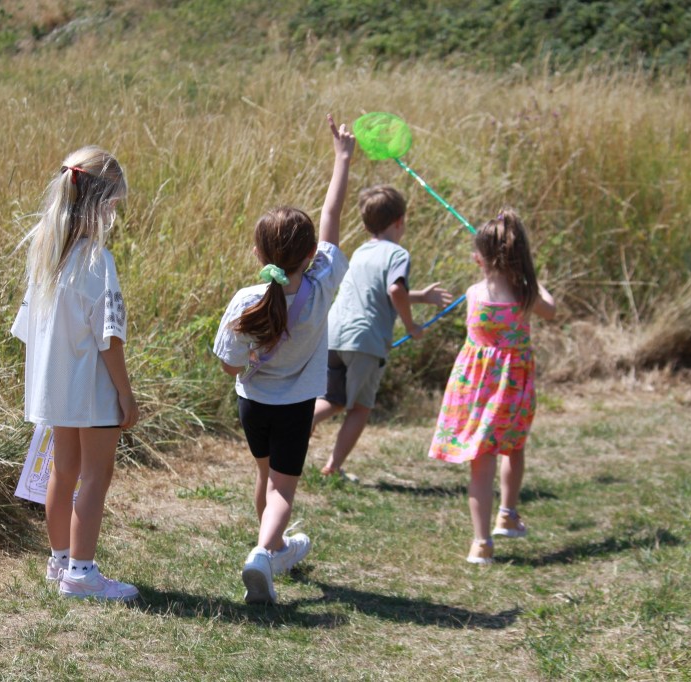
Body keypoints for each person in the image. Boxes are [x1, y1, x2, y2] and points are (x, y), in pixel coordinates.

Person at [213, 115, 355, 604]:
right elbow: (332, 217)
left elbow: (229, 366)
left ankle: (271, 554)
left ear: (257, 251)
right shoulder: (321, 287)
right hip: (295, 406)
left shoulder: (246, 300)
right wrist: (342, 159)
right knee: (282, 491)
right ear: (313, 253)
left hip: (253, 402)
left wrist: (253, 355)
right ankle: (262, 552)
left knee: (263, 477)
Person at [11, 146, 141, 601]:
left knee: (62, 472)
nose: (115, 215)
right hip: (93, 390)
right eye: (115, 205)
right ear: (101, 204)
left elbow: (28, 330)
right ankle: (82, 574)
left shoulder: (46, 255)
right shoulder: (97, 262)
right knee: (95, 476)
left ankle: (60, 560)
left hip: (56, 387)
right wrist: (125, 394)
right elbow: (110, 336)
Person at [427, 208, 555, 564]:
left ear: (479, 259)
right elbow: (552, 309)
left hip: (475, 388)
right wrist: (534, 279)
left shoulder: (473, 293)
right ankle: (508, 514)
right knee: (513, 447)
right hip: (513, 387)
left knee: (479, 464)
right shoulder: (527, 295)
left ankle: (481, 542)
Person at [312, 185, 453, 480]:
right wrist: (412, 325)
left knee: (334, 400)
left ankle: (296, 424)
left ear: (366, 224)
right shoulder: (398, 254)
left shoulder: (362, 251)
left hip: (334, 334)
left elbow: (380, 291)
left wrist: (420, 296)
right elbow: (393, 289)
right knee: (361, 407)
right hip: (365, 341)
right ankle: (332, 467)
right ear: (400, 221)